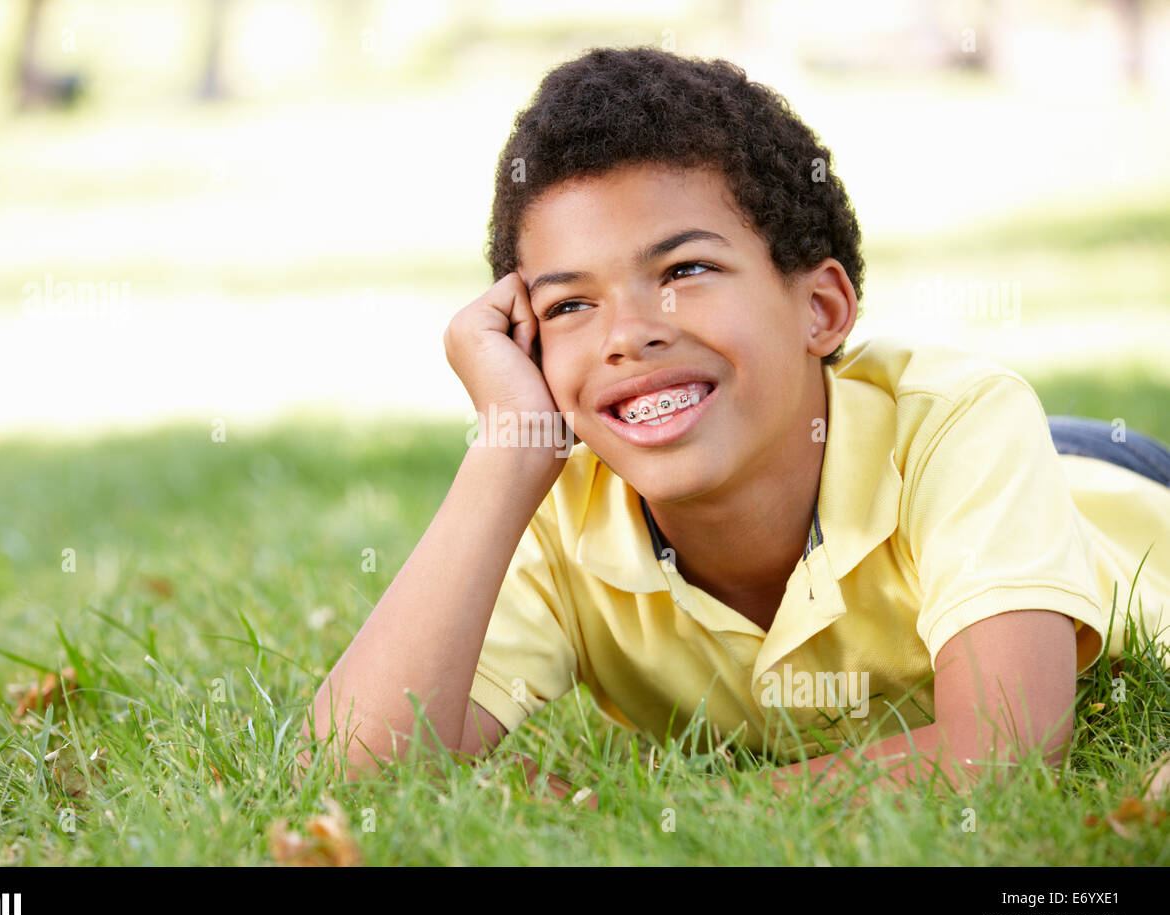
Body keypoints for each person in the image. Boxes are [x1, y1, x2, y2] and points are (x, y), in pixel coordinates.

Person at [302, 46, 1170, 806]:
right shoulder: (562, 510)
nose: (628, 334)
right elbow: (345, 772)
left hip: (1104, 479)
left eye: (684, 268)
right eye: (568, 303)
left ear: (821, 308)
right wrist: (507, 454)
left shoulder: (962, 426)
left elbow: (1004, 752)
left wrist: (623, 813)